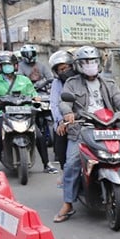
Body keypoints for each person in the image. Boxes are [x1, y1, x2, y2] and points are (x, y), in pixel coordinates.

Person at [55, 45, 120, 222]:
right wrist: (67, 113)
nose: (90, 65)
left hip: (109, 127)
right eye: (86, 62)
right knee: (72, 163)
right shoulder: (71, 83)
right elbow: (64, 103)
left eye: (93, 61)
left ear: (99, 63)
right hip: (82, 128)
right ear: (78, 65)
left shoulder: (109, 83)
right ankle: (68, 203)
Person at [0, 52, 43, 182]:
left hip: (24, 112)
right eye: (4, 65)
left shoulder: (24, 80)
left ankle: (47, 164)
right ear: (0, 67)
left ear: (15, 66)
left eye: (9, 64)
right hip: (3, 114)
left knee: (39, 135)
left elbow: (33, 93)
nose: (7, 67)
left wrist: (36, 98)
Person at [49, 49, 77, 180]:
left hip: (83, 119)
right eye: (59, 70)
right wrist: (61, 120)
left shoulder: (80, 79)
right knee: (60, 139)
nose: (62, 72)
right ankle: (65, 172)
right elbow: (55, 104)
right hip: (65, 120)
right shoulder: (57, 83)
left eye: (64, 68)